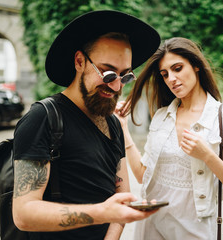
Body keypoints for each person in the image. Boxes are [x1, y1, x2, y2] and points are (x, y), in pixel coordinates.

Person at [12, 10, 161, 240]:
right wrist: (101, 212)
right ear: (80, 61)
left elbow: (121, 194)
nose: (116, 86)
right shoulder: (43, 118)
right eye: (108, 73)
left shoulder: (113, 123)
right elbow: (24, 213)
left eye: (125, 76)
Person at [115, 37, 223, 240]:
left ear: (196, 66)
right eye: (165, 74)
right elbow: (143, 176)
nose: (171, 78)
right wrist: (124, 130)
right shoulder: (162, 116)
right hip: (152, 224)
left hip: (195, 228)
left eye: (177, 68)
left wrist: (207, 155)